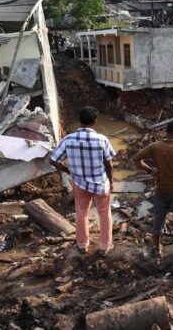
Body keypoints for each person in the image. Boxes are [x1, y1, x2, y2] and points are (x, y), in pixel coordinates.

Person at [49, 107, 116, 256]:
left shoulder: (68, 139)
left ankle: (82, 245)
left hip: (80, 184)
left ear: (80, 120)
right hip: (100, 184)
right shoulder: (102, 139)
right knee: (105, 214)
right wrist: (111, 182)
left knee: (81, 213)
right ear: (95, 121)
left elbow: (52, 160)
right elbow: (109, 165)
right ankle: (105, 246)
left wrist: (67, 170)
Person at [132, 121, 173, 258]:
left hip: (162, 189)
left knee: (159, 218)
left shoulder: (155, 146)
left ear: (166, 132)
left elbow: (136, 159)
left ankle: (158, 249)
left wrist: (151, 171)